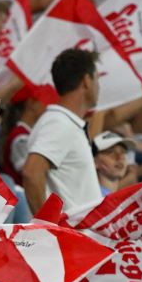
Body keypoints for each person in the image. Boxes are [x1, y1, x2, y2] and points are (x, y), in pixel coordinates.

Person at [22, 48, 101, 215]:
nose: (98, 87)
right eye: (97, 79)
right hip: (68, 237)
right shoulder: (59, 122)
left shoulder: (63, 122)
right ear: (87, 81)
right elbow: (32, 172)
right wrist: (48, 227)